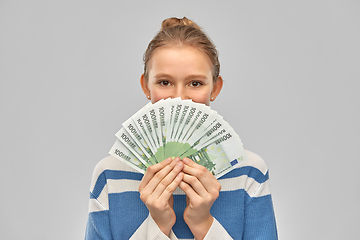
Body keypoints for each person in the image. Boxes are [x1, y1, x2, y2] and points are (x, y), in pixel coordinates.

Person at [85, 17, 278, 240]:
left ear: (215, 88)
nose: (179, 98)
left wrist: (204, 224)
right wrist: (157, 224)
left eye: (195, 83)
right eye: (164, 82)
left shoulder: (249, 173)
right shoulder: (109, 175)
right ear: (145, 86)